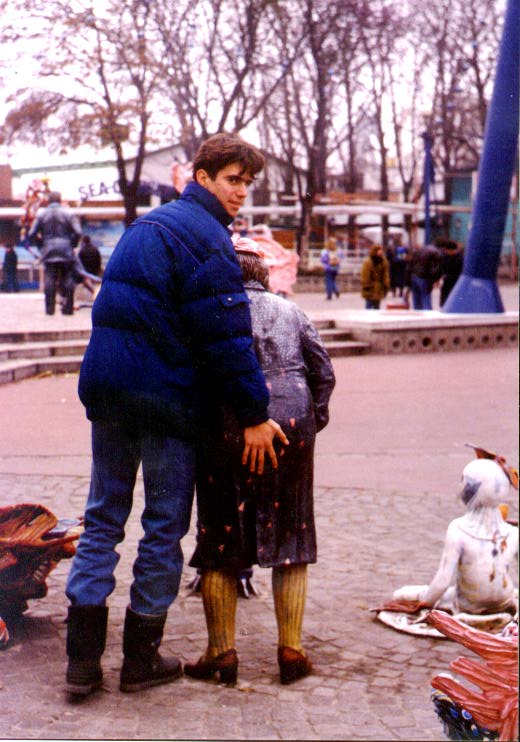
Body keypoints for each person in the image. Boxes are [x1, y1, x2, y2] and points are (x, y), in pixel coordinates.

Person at [64, 133, 289, 697]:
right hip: (165, 400)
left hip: (109, 392)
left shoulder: (146, 226)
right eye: (232, 179)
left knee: (102, 519)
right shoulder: (207, 239)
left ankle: (82, 663)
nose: (241, 192)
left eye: (247, 183)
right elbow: (227, 336)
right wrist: (254, 412)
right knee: (163, 527)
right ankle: (140, 660)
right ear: (202, 176)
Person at [185, 236, 335, 686]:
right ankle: (292, 650)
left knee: (220, 539)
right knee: (292, 535)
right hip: (293, 423)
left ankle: (221, 653)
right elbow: (323, 372)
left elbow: (194, 376)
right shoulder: (292, 312)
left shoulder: (211, 313)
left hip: (226, 429)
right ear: (264, 275)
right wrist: (311, 422)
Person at [392, 451, 518, 617]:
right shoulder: (514, 532)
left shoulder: (458, 529)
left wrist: (426, 604)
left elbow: (442, 581)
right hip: (504, 600)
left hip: (470, 604)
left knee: (401, 594)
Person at [27, 191, 82, 315]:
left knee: (50, 277)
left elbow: (31, 234)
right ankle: (68, 308)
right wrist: (72, 244)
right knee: (68, 277)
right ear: (60, 200)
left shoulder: (41, 214)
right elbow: (78, 232)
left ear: (49, 201)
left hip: (48, 249)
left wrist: (41, 246)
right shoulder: (68, 213)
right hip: (66, 248)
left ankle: (49, 309)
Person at [408, 243, 443, 310]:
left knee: (416, 301)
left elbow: (411, 265)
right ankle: (428, 314)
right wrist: (436, 279)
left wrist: (408, 280)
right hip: (425, 277)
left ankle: (418, 314)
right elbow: (436, 269)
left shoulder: (421, 250)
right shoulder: (437, 253)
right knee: (426, 298)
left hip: (415, 276)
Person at [360, 244, 390, 309]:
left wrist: (386, 285)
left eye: (381, 250)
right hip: (370, 289)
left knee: (377, 307)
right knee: (369, 306)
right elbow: (365, 275)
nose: (380, 252)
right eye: (379, 250)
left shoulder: (383, 262)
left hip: (379, 288)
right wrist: (367, 285)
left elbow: (385, 275)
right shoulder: (368, 262)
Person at [437, 238, 464, 307]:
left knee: (453, 302)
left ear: (452, 250)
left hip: (455, 283)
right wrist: (438, 278)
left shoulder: (460, 259)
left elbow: (460, 273)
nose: (445, 251)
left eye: (447, 250)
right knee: (444, 302)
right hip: (446, 283)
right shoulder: (446, 257)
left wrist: (447, 276)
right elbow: (441, 268)